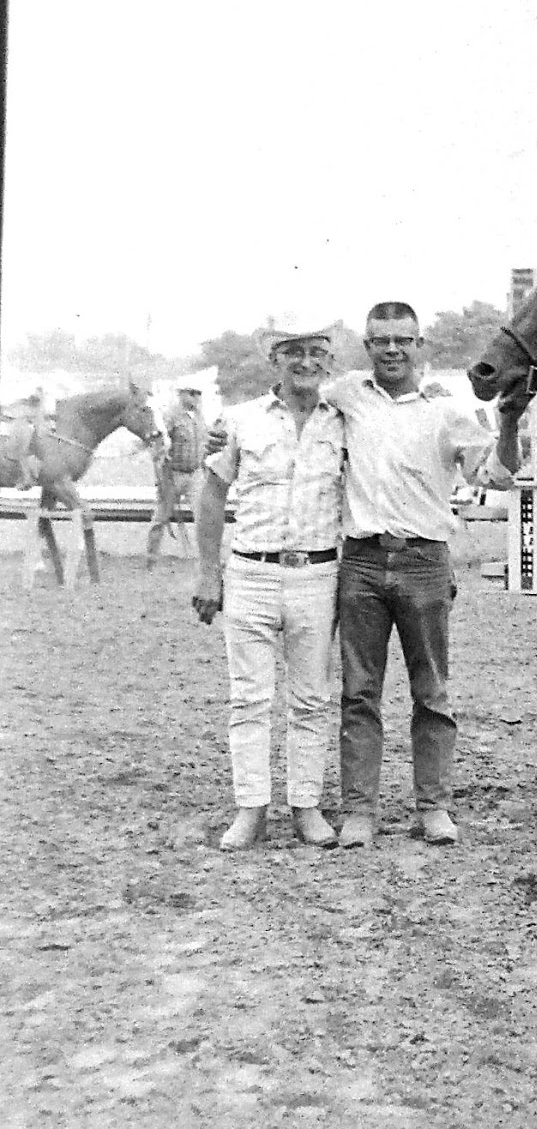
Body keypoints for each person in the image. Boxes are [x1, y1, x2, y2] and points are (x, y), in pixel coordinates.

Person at [323, 303, 517, 849]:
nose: (391, 350)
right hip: (360, 560)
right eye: (381, 340)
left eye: (402, 340)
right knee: (359, 693)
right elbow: (296, 400)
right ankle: (359, 811)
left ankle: (434, 807)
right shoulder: (346, 396)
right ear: (366, 346)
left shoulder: (448, 411)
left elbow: (496, 476)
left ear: (421, 345)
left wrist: (510, 422)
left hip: (425, 561)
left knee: (431, 691)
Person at [194, 324, 345, 851]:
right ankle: (250, 810)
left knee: (311, 699)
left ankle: (306, 807)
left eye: (316, 354)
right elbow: (211, 494)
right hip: (251, 572)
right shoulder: (238, 421)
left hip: (316, 574)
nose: (305, 363)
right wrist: (207, 572)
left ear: (329, 362)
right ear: (274, 361)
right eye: (293, 353)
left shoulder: (345, 421)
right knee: (249, 698)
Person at [148, 385, 207, 566]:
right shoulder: (170, 416)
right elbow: (158, 443)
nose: (196, 397)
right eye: (192, 393)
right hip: (173, 474)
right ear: (181, 395)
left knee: (204, 517)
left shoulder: (200, 416)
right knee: (161, 518)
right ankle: (151, 558)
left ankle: (206, 560)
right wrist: (161, 473)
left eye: (198, 393)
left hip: (195, 474)